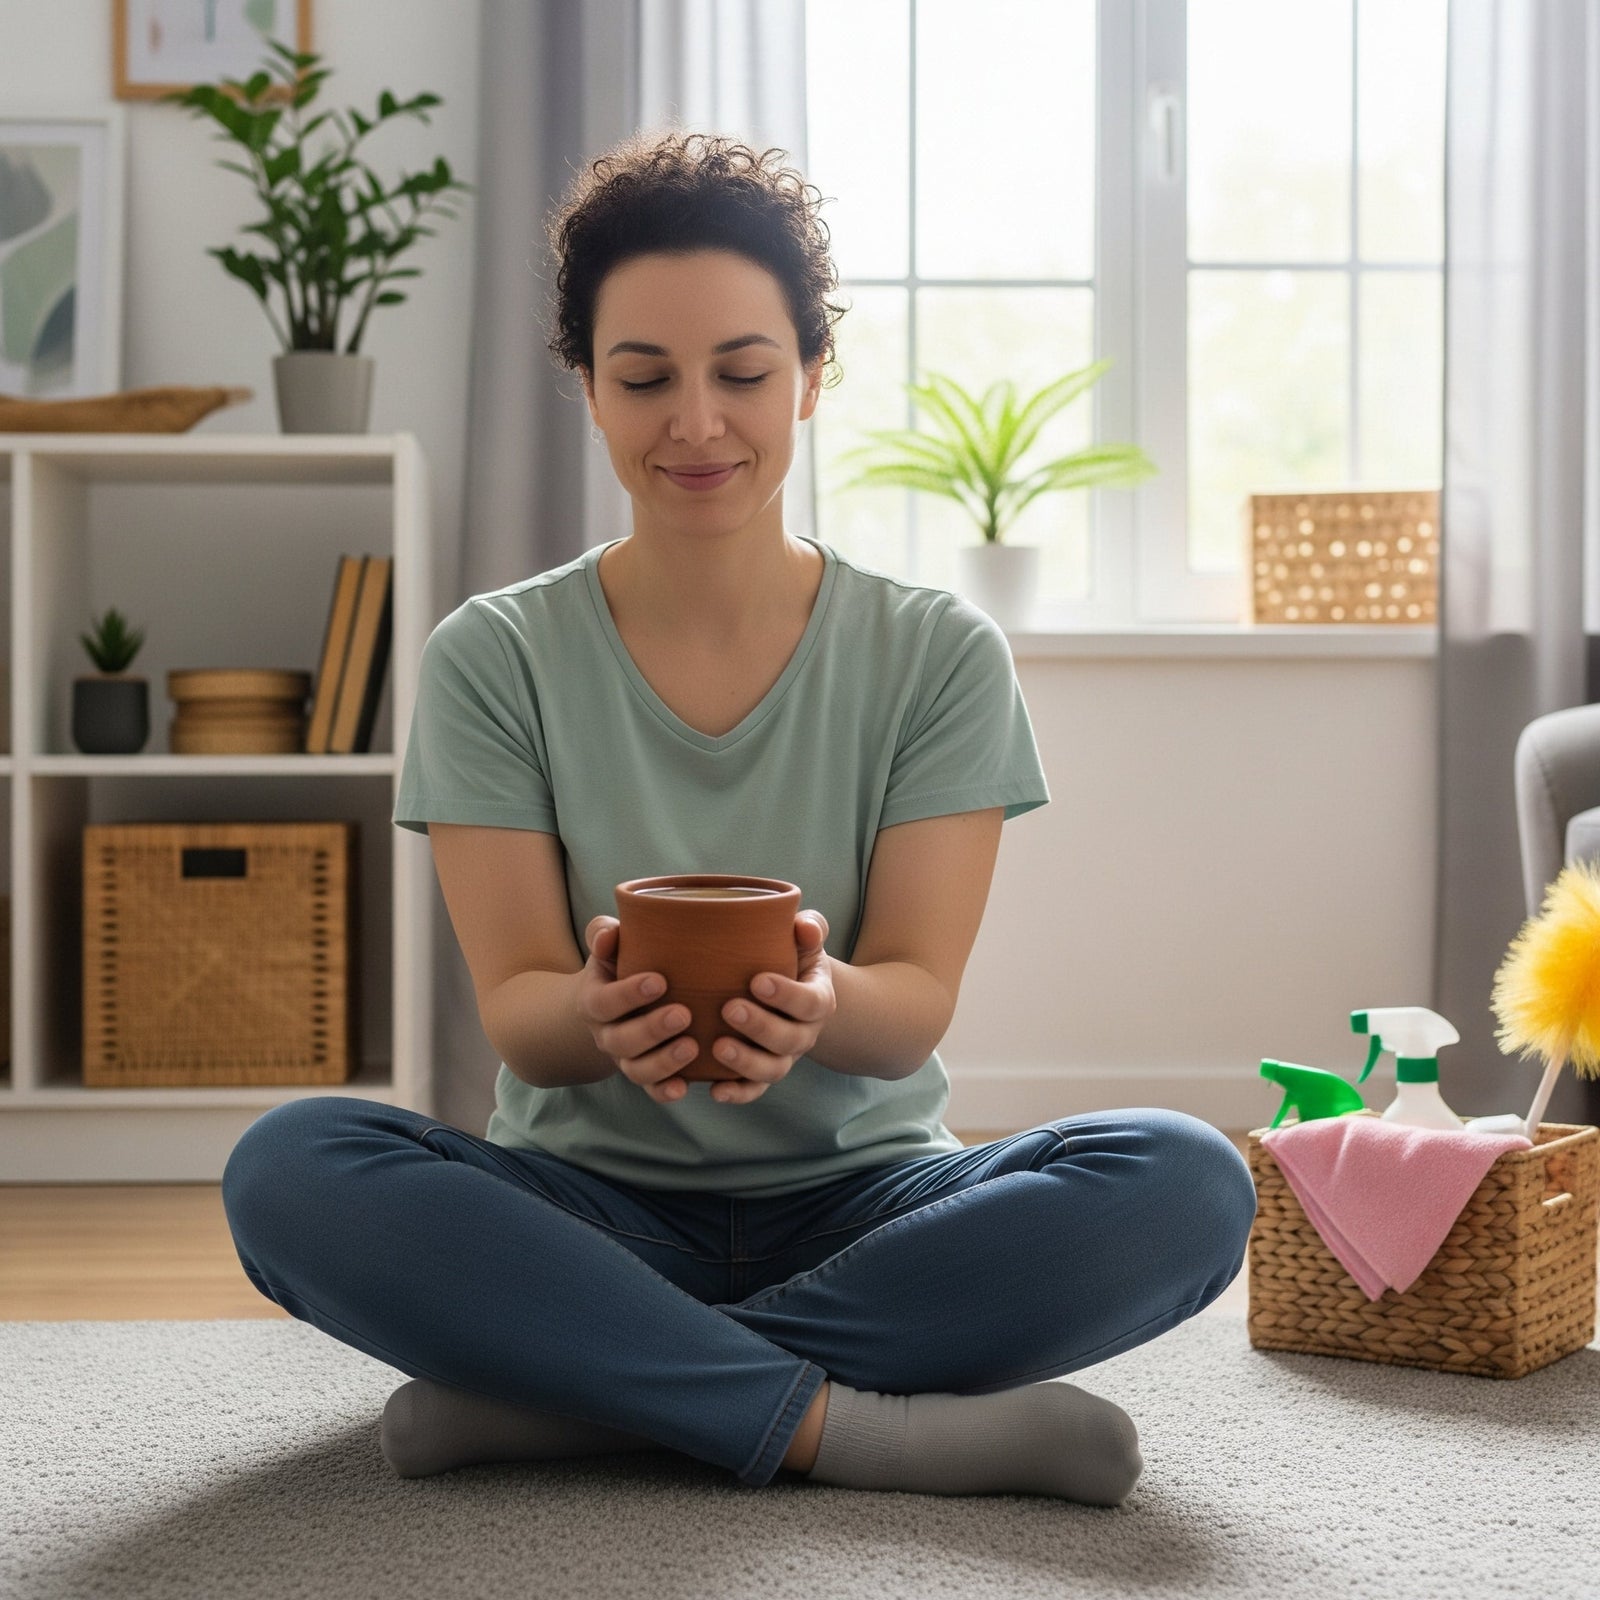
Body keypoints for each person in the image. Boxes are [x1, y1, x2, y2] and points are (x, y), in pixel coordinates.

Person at [219, 128, 1257, 1506]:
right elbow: (521, 1005)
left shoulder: (936, 653)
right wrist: (596, 1018)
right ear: (586, 387)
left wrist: (822, 1000)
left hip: (873, 1204)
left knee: (1187, 1181)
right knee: (292, 1169)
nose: (696, 423)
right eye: (643, 376)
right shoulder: (494, 656)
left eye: (745, 373)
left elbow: (914, 1000)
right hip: (584, 1214)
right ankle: (847, 1426)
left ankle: (583, 1397)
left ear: (814, 376)